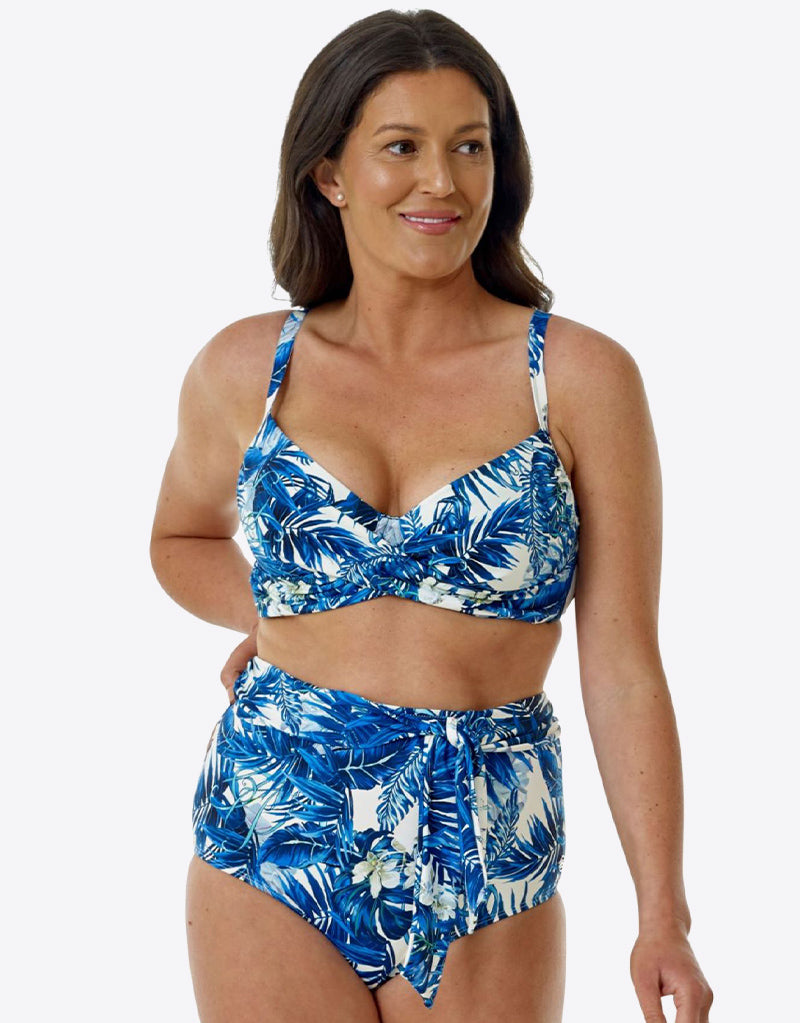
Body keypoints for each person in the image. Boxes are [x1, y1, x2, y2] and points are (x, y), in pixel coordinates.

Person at [150, 9, 713, 1022]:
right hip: (273, 812)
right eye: (401, 147)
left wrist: (661, 914)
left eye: (470, 147)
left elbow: (623, 661)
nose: (442, 182)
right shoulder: (246, 368)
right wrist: (276, 614)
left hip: (485, 831)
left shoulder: (578, 379)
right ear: (329, 174)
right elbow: (179, 538)